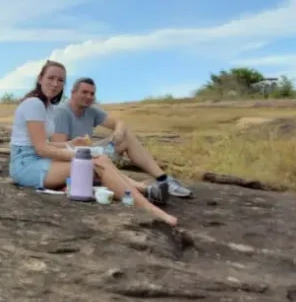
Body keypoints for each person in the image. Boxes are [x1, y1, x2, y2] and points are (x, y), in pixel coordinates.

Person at [9, 61, 177, 226]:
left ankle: (147, 194)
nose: (55, 84)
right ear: (40, 78)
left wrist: (72, 143)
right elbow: (41, 149)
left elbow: (45, 144)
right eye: (51, 78)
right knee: (95, 162)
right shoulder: (34, 104)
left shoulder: (48, 107)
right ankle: (150, 208)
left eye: (60, 80)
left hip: (37, 160)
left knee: (100, 160)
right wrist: (81, 154)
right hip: (25, 165)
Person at [50, 77, 193, 202]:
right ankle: (145, 189)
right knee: (97, 160)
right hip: (75, 161)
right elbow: (60, 151)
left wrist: (118, 131)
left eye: (92, 93)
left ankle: (163, 179)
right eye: (84, 92)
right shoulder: (63, 112)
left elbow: (120, 122)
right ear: (73, 93)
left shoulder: (91, 110)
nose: (89, 96)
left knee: (125, 136)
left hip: (91, 153)